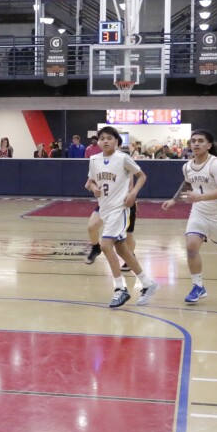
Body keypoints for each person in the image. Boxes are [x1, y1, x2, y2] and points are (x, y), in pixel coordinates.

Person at [162, 129, 217, 303]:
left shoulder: (215, 164)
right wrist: (174, 200)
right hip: (199, 212)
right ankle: (198, 286)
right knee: (191, 248)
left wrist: (200, 197)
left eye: (200, 141)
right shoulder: (187, 166)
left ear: (208, 145)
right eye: (193, 141)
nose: (196, 144)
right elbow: (188, 183)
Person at [85, 126, 159, 308]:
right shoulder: (94, 160)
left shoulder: (123, 158)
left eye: (109, 138)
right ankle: (148, 283)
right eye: (102, 138)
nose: (105, 141)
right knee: (122, 250)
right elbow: (89, 182)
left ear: (117, 141)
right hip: (105, 209)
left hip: (120, 209)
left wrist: (133, 192)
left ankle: (120, 289)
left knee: (105, 245)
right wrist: (93, 188)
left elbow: (142, 176)